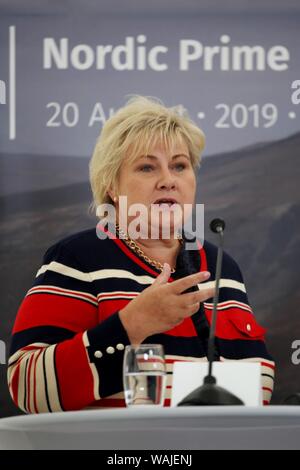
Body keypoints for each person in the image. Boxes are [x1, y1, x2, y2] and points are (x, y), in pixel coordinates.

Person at [7, 96, 274, 413]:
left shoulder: (220, 265)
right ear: (111, 186)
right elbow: (27, 386)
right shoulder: (80, 258)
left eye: (179, 165)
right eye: (147, 167)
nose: (168, 181)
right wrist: (132, 324)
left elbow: (258, 384)